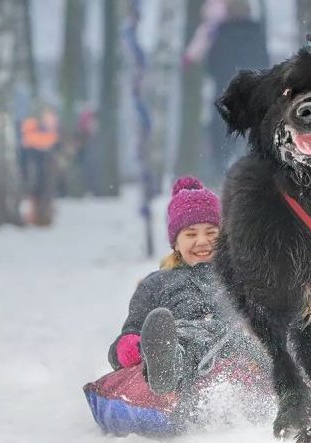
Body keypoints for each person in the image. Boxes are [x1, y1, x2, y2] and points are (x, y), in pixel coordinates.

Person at [108, 176, 257, 395]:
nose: (202, 241)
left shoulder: (242, 276)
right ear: (176, 243)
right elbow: (130, 333)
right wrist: (131, 347)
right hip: (184, 344)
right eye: (190, 234)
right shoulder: (157, 283)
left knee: (256, 340)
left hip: (236, 344)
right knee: (180, 342)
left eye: (211, 232)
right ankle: (166, 370)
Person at [206, 0, 269, 183]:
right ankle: (249, 173)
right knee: (249, 135)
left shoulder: (222, 32)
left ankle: (219, 171)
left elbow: (212, 63)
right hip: (251, 93)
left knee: (221, 134)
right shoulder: (256, 32)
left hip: (225, 93)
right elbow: (263, 62)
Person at [20, 103, 60, 225]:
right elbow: (31, 140)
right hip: (34, 165)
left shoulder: (45, 130)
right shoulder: (32, 127)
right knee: (35, 190)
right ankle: (36, 216)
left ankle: (42, 216)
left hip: (42, 167)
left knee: (42, 190)